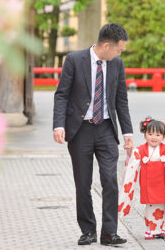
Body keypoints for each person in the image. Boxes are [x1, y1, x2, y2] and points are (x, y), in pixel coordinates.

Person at [53, 23, 134, 246]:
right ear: (106, 45)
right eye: (119, 49)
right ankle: (88, 230)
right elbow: (61, 94)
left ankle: (109, 232)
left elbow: (121, 99)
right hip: (80, 130)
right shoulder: (74, 60)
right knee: (83, 183)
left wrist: (127, 131)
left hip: (107, 128)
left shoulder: (116, 63)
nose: (120, 53)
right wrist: (58, 125)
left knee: (110, 180)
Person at [118, 117, 165, 240]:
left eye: (157, 135)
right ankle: (150, 228)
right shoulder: (141, 150)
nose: (153, 137)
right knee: (150, 207)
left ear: (163, 136)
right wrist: (129, 152)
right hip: (148, 184)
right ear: (145, 134)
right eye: (150, 134)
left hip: (162, 183)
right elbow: (132, 162)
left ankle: (161, 228)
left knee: (162, 205)